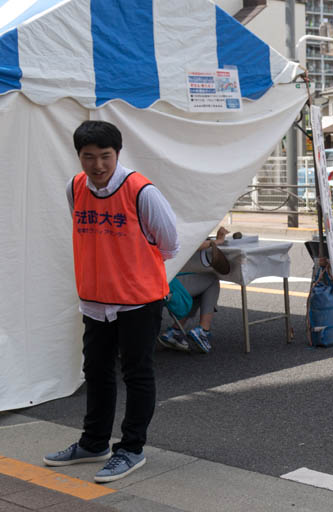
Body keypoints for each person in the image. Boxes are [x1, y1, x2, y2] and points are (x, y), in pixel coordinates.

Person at [45, 120, 179, 483]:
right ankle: (94, 443)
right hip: (95, 301)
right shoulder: (75, 187)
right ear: (79, 157)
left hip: (138, 301)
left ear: (117, 154)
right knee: (97, 373)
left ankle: (131, 449)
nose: (98, 165)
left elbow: (169, 243)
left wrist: (130, 271)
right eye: (89, 157)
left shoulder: (141, 191)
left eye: (105, 156)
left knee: (137, 374)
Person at [159, 227, 230, 353]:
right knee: (211, 280)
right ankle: (203, 330)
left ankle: (176, 331)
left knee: (199, 286)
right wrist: (217, 241)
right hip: (163, 283)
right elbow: (187, 244)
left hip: (148, 281)